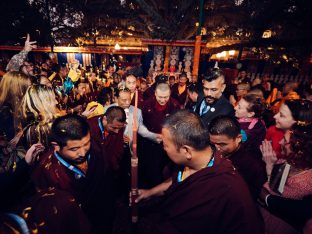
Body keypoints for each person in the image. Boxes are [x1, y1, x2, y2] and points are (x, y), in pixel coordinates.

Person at [135, 110, 264, 234]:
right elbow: (179, 179)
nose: (164, 149)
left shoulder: (223, 188)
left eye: (166, 145)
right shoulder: (199, 158)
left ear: (186, 151)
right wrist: (149, 192)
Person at [31, 114, 115, 233]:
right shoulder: (46, 171)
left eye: (86, 144)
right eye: (74, 149)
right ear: (56, 146)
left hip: (103, 214)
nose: (82, 153)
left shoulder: (96, 145)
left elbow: (107, 176)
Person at [208, 115, 267, 200]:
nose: (217, 148)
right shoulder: (212, 149)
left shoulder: (251, 164)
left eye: (222, 144)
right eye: (213, 143)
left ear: (238, 138)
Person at [140, 83, 180, 188]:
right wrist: (151, 136)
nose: (163, 100)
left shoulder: (175, 105)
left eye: (166, 97)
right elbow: (140, 124)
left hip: (167, 143)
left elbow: (177, 125)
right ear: (155, 94)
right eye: (160, 97)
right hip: (148, 143)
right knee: (147, 168)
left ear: (170, 94)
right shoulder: (146, 105)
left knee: (163, 169)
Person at [0, 72, 31, 172]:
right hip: (8, 166)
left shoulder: (11, 107)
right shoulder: (4, 112)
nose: (30, 92)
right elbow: (13, 141)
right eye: (27, 88)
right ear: (18, 90)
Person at [87, 106, 126, 172]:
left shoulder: (118, 126)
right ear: (105, 119)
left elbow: (118, 148)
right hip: (94, 169)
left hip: (111, 169)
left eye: (119, 128)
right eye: (113, 128)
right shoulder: (89, 126)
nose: (117, 132)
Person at [21, 84, 59, 149]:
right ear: (42, 103)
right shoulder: (37, 130)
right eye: (53, 99)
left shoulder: (48, 124)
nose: (56, 102)